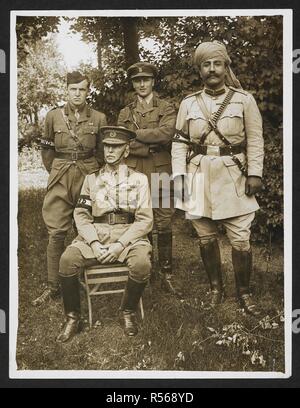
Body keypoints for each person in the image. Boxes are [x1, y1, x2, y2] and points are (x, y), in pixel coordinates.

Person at [172, 41, 264, 315]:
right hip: (198, 174)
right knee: (205, 237)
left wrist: (255, 173)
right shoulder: (188, 103)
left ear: (225, 67)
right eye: (206, 65)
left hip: (234, 175)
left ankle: (244, 293)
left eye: (217, 63)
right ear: (199, 70)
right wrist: (178, 177)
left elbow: (256, 139)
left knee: (240, 239)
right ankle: (216, 289)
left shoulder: (244, 100)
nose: (212, 69)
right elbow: (179, 142)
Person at [56, 126, 153, 342]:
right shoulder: (91, 179)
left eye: (116, 147)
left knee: (141, 265)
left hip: (129, 235)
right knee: (67, 260)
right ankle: (73, 317)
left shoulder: (139, 180)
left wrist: (119, 245)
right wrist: (94, 243)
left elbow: (145, 220)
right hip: (96, 233)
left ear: (126, 151)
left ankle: (127, 310)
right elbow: (81, 215)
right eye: (107, 145)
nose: (110, 150)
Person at [32, 71, 107, 307]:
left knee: (89, 228)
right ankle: (53, 286)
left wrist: (94, 176)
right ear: (66, 90)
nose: (77, 94)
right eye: (73, 89)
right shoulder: (53, 117)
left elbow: (103, 153)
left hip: (88, 176)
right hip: (61, 176)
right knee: (56, 232)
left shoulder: (98, 117)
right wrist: (56, 171)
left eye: (82, 89)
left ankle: (86, 279)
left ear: (88, 91)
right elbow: (47, 150)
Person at [118, 62, 177, 294]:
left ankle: (167, 272)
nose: (142, 84)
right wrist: (147, 144)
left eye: (146, 79)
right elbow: (122, 142)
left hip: (162, 168)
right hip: (134, 170)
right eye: (137, 80)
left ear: (153, 81)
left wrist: (135, 136)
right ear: (133, 84)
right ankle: (145, 269)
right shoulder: (125, 112)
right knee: (139, 219)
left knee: (163, 221)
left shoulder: (166, 107)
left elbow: (167, 134)